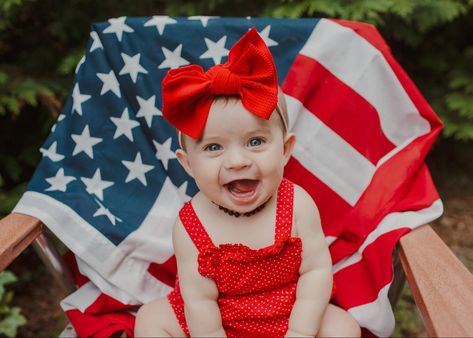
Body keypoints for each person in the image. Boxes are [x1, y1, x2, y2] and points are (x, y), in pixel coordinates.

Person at [135, 28, 360, 337]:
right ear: (188, 163)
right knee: (150, 319)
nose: (237, 161)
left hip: (291, 310)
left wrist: (300, 331)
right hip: (217, 322)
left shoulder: (297, 205)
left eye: (255, 141)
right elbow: (199, 301)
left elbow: (316, 271)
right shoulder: (191, 224)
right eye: (214, 147)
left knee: (344, 328)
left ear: (284, 150)